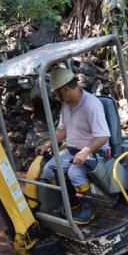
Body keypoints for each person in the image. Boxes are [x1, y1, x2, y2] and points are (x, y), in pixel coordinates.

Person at [35, 67, 111, 225]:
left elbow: (103, 136)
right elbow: (62, 130)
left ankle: (88, 209)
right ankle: (72, 200)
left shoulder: (91, 105)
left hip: (96, 153)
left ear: (66, 90)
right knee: (49, 169)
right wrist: (47, 145)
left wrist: (85, 152)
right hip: (72, 151)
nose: (56, 96)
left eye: (57, 93)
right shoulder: (66, 104)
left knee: (75, 173)